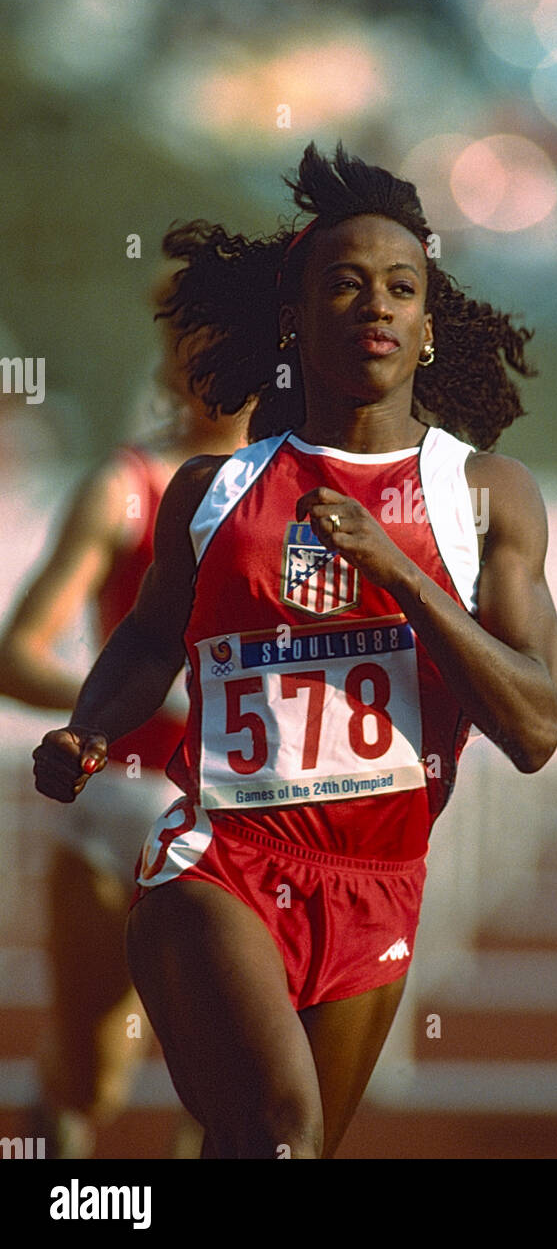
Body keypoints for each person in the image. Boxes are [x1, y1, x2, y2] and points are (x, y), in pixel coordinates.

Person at [32, 142, 557, 1160]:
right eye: (344, 284)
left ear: (427, 325)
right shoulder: (215, 491)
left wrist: (400, 573)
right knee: (282, 1132)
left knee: (281, 1152)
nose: (375, 304)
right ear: (294, 315)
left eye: (401, 288)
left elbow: (534, 726)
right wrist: (91, 724)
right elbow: (149, 635)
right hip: (217, 859)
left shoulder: (482, 498)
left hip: (379, 879)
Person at [1, 317, 249, 1156]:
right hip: (117, 809)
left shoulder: (298, 485)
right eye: (193, 349)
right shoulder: (125, 484)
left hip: (242, 822)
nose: (211, 371)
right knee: (90, 1076)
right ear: (171, 362)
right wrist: (132, 706)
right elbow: (16, 656)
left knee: (233, 1084)